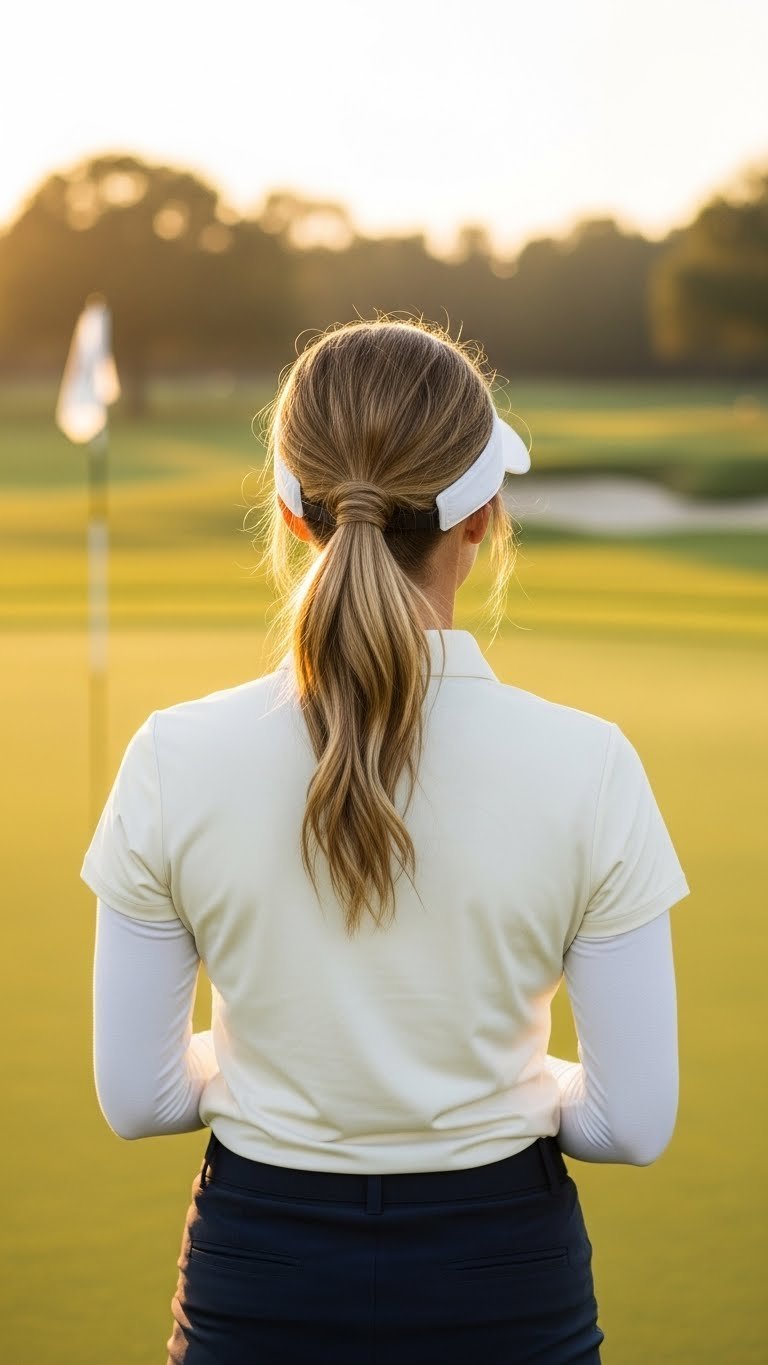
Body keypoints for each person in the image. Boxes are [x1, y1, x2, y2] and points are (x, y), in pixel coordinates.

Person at [81, 317, 691, 1363]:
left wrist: (262, 1075)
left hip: (262, 1277)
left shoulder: (170, 755)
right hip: (502, 1277)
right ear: (485, 519)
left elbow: (141, 1102)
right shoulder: (591, 764)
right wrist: (509, 1090)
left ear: (290, 510)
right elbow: (631, 1125)